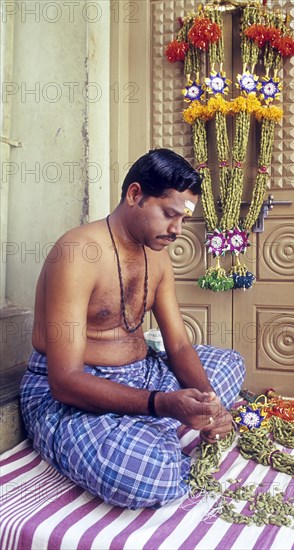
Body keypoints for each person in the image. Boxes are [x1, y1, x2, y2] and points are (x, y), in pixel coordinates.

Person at [20, 148, 246, 509]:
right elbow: (64, 381)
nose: (176, 230)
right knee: (150, 474)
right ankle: (150, 432)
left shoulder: (157, 255)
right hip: (73, 393)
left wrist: (210, 404)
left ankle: (148, 427)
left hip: (143, 374)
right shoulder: (78, 252)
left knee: (230, 363)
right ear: (135, 194)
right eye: (169, 215)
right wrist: (161, 404)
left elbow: (180, 348)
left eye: (184, 220)